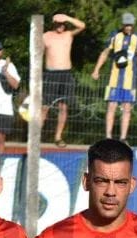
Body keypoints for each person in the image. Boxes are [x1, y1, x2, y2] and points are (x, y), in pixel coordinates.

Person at [92, 12, 137, 143]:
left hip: (130, 79)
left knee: (127, 108)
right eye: (126, 25)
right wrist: (96, 69)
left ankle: (123, 137)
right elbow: (105, 52)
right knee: (111, 106)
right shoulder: (115, 36)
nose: (129, 27)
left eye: (131, 25)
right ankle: (108, 136)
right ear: (122, 25)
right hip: (114, 78)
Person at [42, 12, 86, 147]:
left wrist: (67, 18)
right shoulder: (46, 36)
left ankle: (58, 136)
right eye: (58, 24)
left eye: (63, 24)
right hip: (51, 74)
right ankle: (36, 133)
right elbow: (37, 53)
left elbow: (82, 26)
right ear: (53, 24)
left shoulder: (68, 35)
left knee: (63, 106)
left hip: (66, 74)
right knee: (45, 106)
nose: (61, 26)